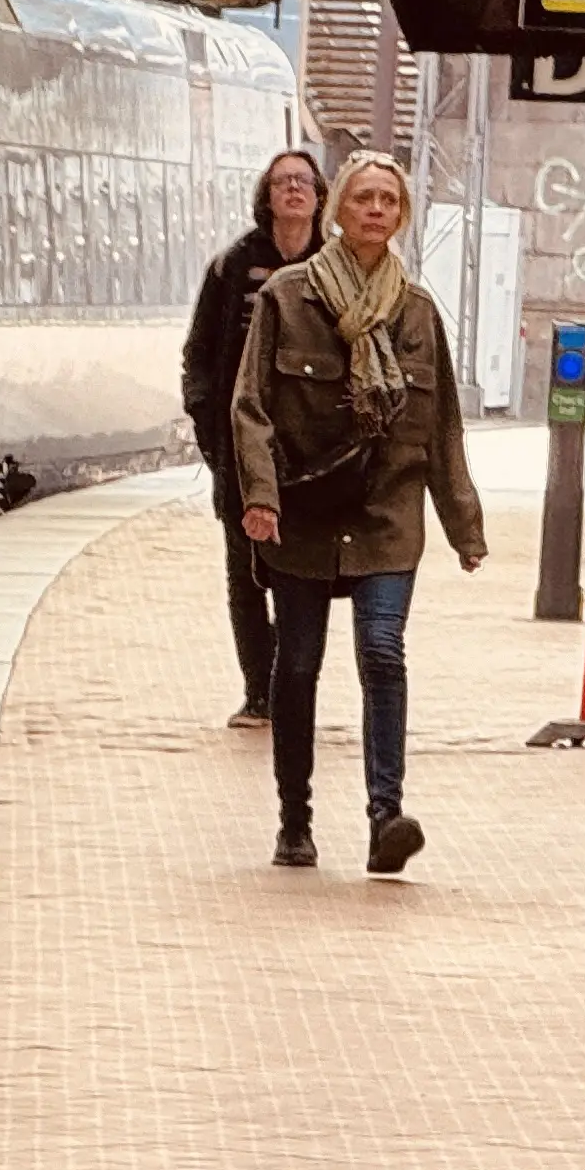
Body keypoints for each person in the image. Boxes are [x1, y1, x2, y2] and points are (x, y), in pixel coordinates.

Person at [232, 151, 486, 875]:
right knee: (297, 664)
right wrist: (260, 497)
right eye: (363, 198)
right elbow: (250, 407)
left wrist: (464, 527)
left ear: (401, 216)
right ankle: (295, 821)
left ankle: (385, 819)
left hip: (387, 513)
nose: (376, 210)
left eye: (389, 200)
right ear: (337, 209)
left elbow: (443, 430)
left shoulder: (418, 313)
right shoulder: (288, 298)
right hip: (304, 512)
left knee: (382, 652)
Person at [184, 149, 324, 726]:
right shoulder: (232, 267)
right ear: (266, 196)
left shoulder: (333, 266)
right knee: (244, 574)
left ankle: (290, 686)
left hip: (312, 455)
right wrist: (209, 429)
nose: (293, 189)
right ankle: (259, 691)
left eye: (303, 181)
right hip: (239, 451)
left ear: (319, 195)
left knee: (301, 577)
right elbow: (199, 354)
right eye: (282, 181)